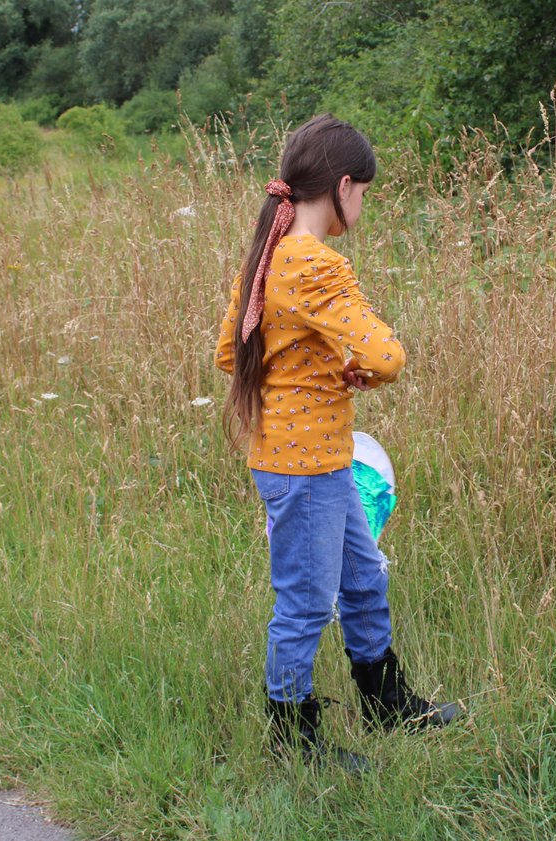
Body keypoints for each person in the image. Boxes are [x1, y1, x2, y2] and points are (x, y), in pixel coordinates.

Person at [215, 115, 457, 773]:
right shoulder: (317, 263)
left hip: (316, 459)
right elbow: (388, 353)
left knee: (363, 577)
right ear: (344, 185)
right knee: (302, 604)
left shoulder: (269, 252)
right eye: (365, 192)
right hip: (305, 466)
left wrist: (314, 361)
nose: (363, 205)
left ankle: (385, 700)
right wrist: (362, 368)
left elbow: (226, 352)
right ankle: (293, 741)